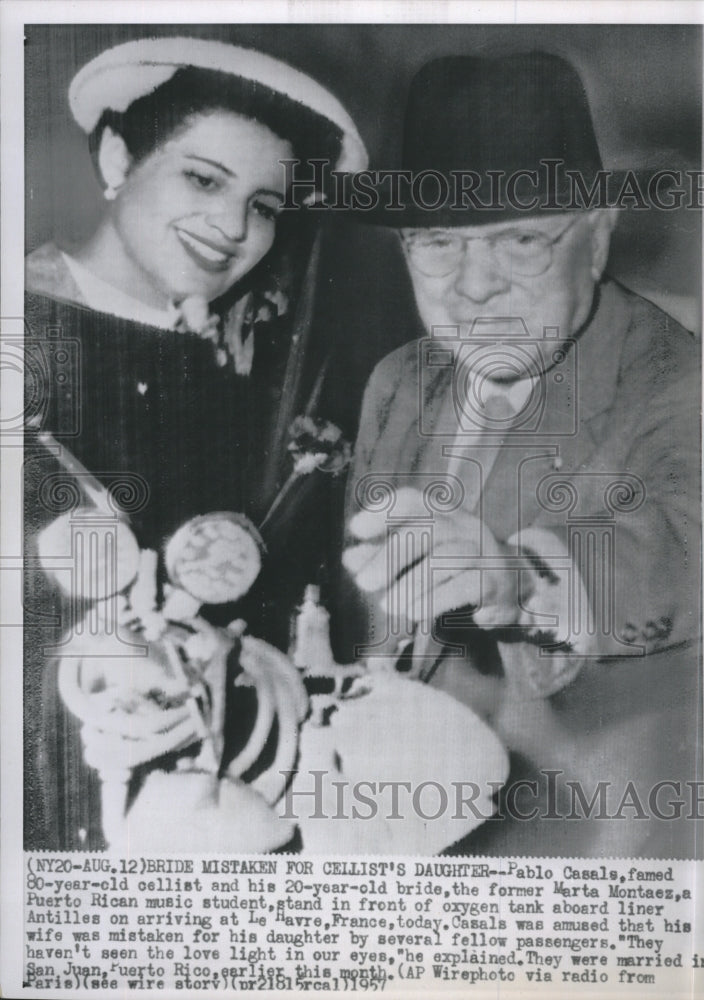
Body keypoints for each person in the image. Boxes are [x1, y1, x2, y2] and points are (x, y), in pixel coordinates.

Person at [342, 52, 701, 858]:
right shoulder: (396, 382)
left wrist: (517, 576)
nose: (473, 287)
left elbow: (689, 542)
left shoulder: (680, 377)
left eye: (520, 241)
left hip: (585, 849)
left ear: (599, 237)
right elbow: (384, 618)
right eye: (437, 244)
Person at [24, 36, 367, 850]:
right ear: (117, 156)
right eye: (203, 178)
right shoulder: (25, 337)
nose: (232, 226)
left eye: (263, 206)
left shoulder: (227, 370)